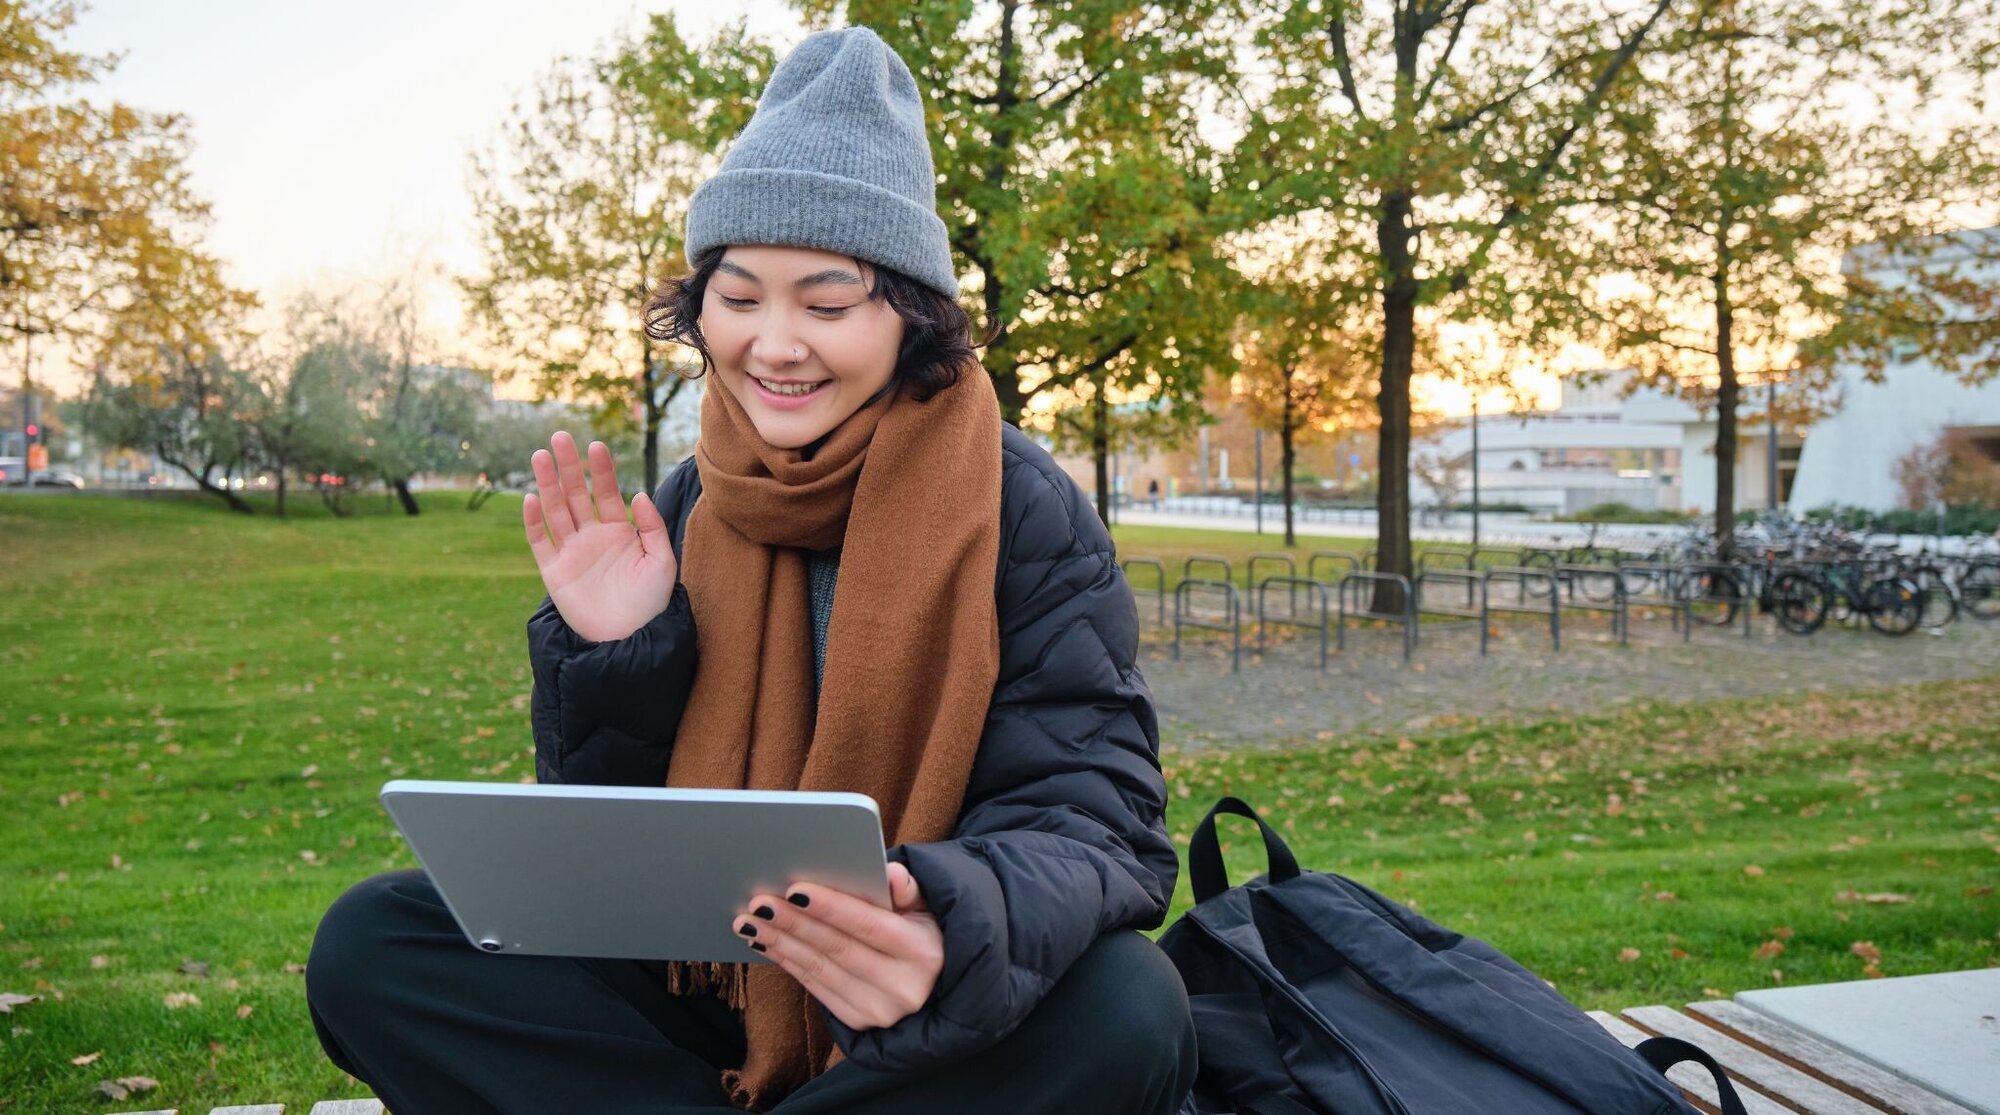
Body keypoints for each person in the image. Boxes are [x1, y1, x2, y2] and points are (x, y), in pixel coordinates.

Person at [304, 25, 1195, 1115]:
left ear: (909, 314)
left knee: (1128, 1006)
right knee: (374, 942)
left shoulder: (1020, 506)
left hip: (909, 1000)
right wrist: (617, 650)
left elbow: (1101, 815)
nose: (774, 343)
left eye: (825, 303)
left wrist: (947, 923)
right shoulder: (681, 504)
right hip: (712, 988)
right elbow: (612, 863)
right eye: (737, 297)